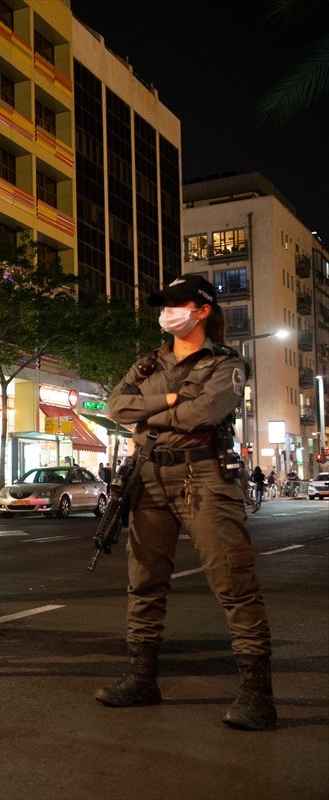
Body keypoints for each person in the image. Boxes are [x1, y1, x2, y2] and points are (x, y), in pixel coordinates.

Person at [101, 274, 276, 731]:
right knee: (143, 581)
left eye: (177, 305)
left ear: (201, 311)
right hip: (147, 475)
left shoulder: (226, 363)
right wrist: (172, 397)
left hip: (203, 475)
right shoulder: (148, 363)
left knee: (234, 582)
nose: (167, 313)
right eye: (164, 305)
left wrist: (149, 412)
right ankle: (142, 679)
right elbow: (115, 408)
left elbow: (203, 413)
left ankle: (258, 695)